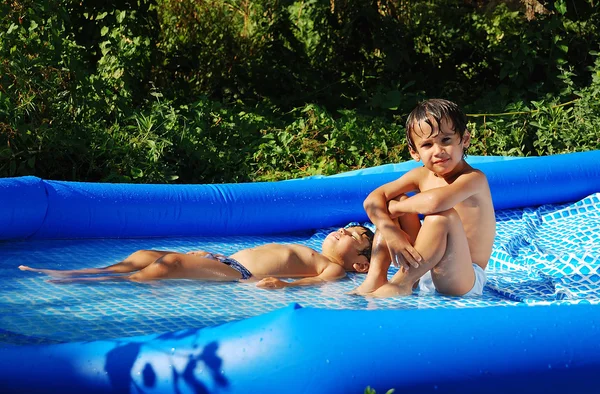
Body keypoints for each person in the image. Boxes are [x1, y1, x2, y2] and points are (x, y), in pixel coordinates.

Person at [351, 99, 496, 297]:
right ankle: (375, 278)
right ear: (414, 152)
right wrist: (391, 231)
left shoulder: (473, 179)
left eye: (446, 140)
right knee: (398, 201)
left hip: (462, 279)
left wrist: (392, 208)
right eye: (427, 144)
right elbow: (372, 200)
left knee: (441, 216)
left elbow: (436, 202)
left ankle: (401, 283)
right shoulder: (420, 175)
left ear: (464, 139)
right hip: (426, 268)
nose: (438, 151)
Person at [19, 225, 374, 289]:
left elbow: (319, 281)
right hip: (223, 260)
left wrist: (286, 285)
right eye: (348, 227)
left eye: (356, 237)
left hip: (238, 275)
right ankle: (86, 271)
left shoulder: (333, 267)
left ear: (360, 263)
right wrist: (211, 255)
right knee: (145, 253)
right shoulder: (312, 249)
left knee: (168, 264)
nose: (345, 231)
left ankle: (109, 284)